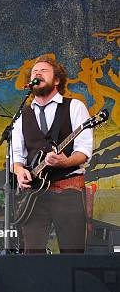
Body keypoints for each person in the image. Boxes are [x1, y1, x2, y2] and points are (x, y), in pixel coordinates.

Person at [11, 55, 93, 254]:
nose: (37, 73)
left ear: (57, 80)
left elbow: (84, 151)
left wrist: (65, 162)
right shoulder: (22, 115)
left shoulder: (74, 107)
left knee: (72, 253)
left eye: (43, 71)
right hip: (34, 196)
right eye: (34, 72)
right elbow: (16, 157)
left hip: (68, 189)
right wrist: (20, 171)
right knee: (32, 254)